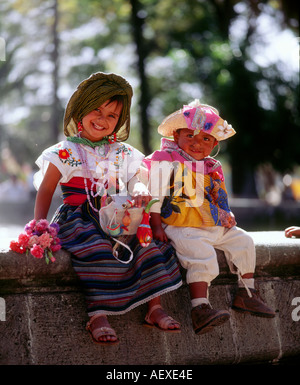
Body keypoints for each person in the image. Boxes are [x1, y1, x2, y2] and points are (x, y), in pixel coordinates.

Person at [33, 72, 182, 345]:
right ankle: (98, 314)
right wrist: (39, 226)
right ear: (80, 110)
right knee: (95, 250)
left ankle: (154, 307)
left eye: (112, 115)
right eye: (96, 110)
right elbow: (46, 189)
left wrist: (138, 189)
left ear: (120, 122)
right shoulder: (64, 152)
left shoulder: (123, 153)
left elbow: (138, 178)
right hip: (78, 218)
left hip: (118, 215)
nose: (102, 120)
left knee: (149, 245)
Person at [143, 100, 275, 335]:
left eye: (206, 139)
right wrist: (156, 226)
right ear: (176, 136)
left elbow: (219, 196)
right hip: (180, 222)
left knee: (244, 241)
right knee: (201, 254)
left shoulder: (211, 166)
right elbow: (155, 194)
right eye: (190, 136)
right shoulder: (166, 159)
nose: (197, 143)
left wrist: (226, 216)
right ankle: (200, 307)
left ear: (214, 143)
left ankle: (247, 292)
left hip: (209, 220)